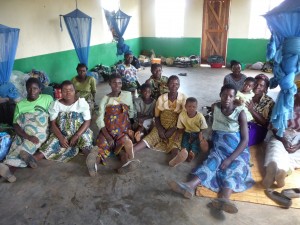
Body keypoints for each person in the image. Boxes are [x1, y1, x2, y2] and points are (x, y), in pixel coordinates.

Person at [168, 84, 254, 214]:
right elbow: (213, 121)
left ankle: (224, 199)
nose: (227, 98)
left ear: (234, 97)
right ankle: (189, 186)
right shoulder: (216, 107)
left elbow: (245, 140)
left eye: (231, 96)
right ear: (220, 95)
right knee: (211, 162)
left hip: (236, 149)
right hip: (219, 146)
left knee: (234, 168)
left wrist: (230, 159)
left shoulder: (240, 113)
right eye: (224, 95)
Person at [0, 78, 53, 182]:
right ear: (26, 89)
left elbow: (53, 116)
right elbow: (16, 124)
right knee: (15, 145)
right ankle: (8, 168)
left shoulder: (48, 99)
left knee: (27, 146)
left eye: (35, 88)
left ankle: (7, 168)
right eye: (29, 88)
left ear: (40, 90)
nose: (32, 91)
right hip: (24, 131)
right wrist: (27, 136)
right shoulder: (20, 104)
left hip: (40, 131)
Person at [86, 74, 138, 176]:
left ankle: (125, 164)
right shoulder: (105, 99)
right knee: (101, 147)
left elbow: (131, 112)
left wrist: (131, 127)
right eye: (114, 83)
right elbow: (100, 119)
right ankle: (93, 165)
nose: (117, 85)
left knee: (123, 148)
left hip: (122, 131)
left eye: (119, 83)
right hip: (107, 131)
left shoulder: (127, 95)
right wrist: (108, 136)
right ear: (109, 84)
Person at [37, 80, 93, 162]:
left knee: (86, 144)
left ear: (75, 91)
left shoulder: (81, 103)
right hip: (61, 133)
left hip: (80, 132)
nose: (68, 93)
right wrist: (60, 137)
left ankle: (91, 160)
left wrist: (77, 135)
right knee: (49, 146)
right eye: (65, 90)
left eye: (71, 90)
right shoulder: (56, 105)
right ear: (61, 92)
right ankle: (32, 159)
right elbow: (53, 124)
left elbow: (87, 121)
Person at [132, 75, 187, 160]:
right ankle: (132, 150)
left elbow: (184, 117)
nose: (174, 86)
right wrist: (160, 129)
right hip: (161, 124)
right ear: (167, 85)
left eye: (176, 84)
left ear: (179, 85)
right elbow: (156, 116)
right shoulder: (161, 98)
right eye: (172, 83)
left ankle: (175, 158)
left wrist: (174, 129)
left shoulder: (183, 98)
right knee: (151, 136)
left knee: (176, 140)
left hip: (176, 126)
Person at [262, 80, 300, 188]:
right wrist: (283, 140)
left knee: (294, 154)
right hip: (281, 133)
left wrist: (297, 146)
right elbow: (273, 126)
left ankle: (280, 171)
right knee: (275, 147)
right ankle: (277, 169)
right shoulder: (283, 105)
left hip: (298, 137)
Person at [169, 97, 208, 166]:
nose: (191, 108)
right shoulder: (182, 115)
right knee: (184, 142)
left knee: (195, 144)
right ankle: (184, 153)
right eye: (189, 106)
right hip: (187, 132)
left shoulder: (200, 116)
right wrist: (177, 134)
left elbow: (203, 128)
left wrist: (200, 136)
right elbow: (180, 127)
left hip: (197, 133)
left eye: (194, 107)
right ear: (185, 107)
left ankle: (192, 154)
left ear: (196, 107)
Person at [245, 74, 275, 146]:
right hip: (242, 124)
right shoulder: (246, 95)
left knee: (243, 141)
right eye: (256, 84)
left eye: (261, 85)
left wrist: (252, 110)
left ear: (265, 89)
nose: (257, 87)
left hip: (258, 128)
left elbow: (266, 124)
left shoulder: (269, 102)